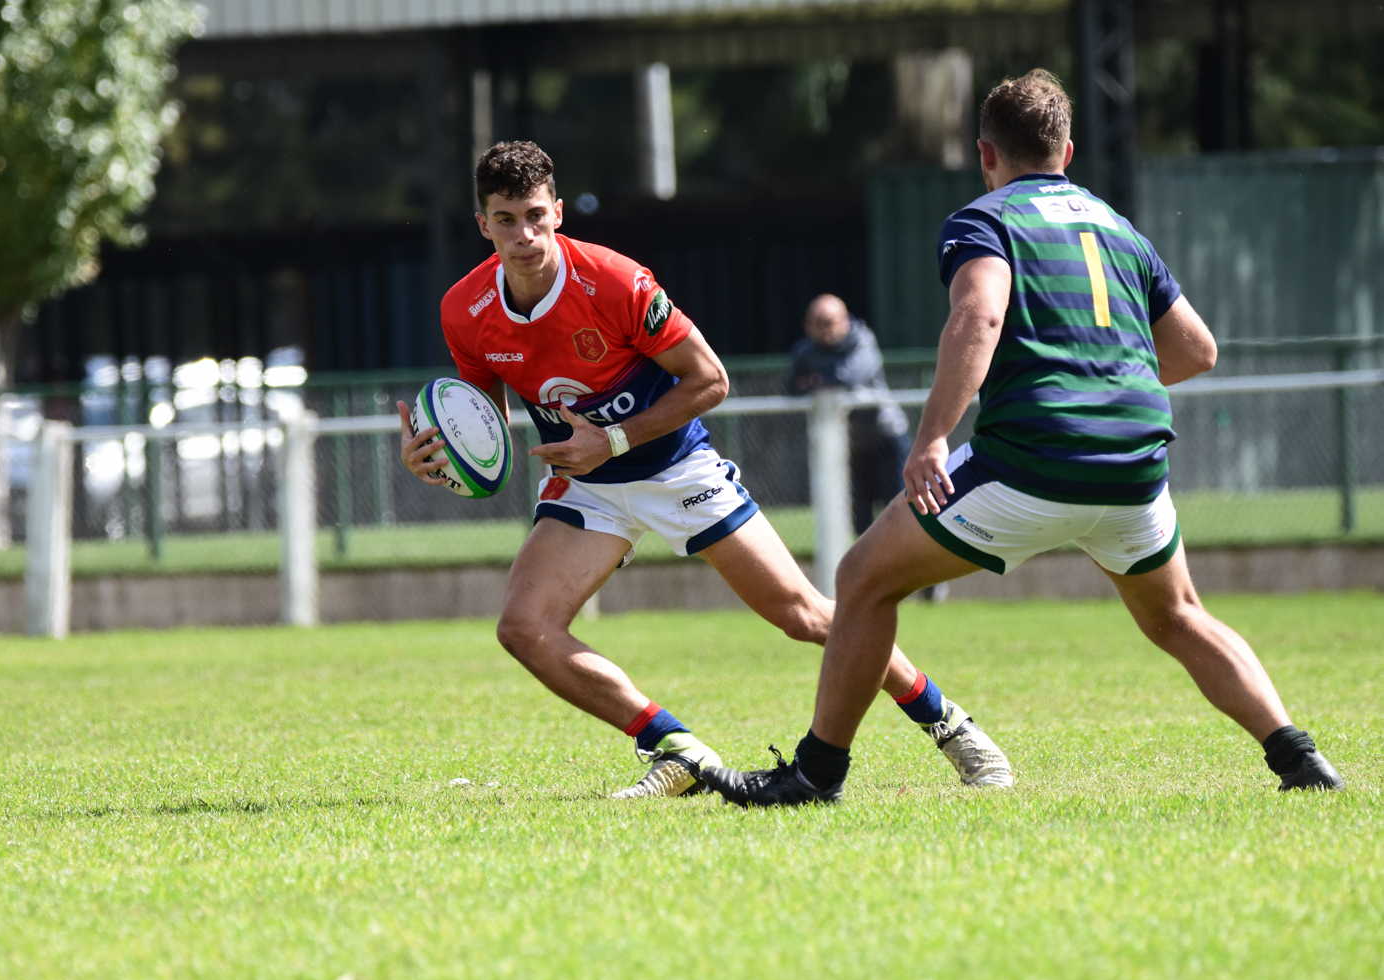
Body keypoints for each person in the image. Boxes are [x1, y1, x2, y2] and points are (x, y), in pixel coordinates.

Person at [702, 70, 1344, 806]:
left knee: (864, 580)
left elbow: (979, 316)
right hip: (1136, 470)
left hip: (1031, 462)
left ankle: (816, 775)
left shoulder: (985, 220)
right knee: (1179, 615)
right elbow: (1198, 350)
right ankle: (1299, 757)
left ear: (986, 154)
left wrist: (932, 437)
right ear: (1067, 151)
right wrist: (1102, 380)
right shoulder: (1119, 228)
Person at [398, 141, 1012, 798]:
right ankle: (679, 750)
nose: (524, 235)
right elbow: (483, 425)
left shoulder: (614, 282)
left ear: (558, 213)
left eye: (534, 216)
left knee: (803, 614)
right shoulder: (464, 309)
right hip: (588, 488)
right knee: (524, 628)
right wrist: (437, 457)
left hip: (675, 468)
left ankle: (950, 726)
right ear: (482, 224)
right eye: (505, 220)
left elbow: (710, 379)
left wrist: (612, 439)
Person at [787, 295, 913, 539]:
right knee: (859, 519)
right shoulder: (805, 350)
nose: (825, 330)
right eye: (818, 323)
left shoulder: (862, 340)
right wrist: (824, 382)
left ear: (845, 320)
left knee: (898, 509)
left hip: (885, 438)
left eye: (830, 322)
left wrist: (814, 381)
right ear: (807, 326)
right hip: (849, 444)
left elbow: (846, 378)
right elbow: (792, 386)